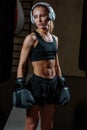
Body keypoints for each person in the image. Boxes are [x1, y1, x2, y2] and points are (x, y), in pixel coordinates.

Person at [13, 2, 70, 130]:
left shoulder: (55, 39)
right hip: (37, 85)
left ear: (50, 15)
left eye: (42, 16)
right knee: (31, 125)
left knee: (48, 126)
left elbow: (57, 64)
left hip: (52, 85)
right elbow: (21, 65)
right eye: (35, 16)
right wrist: (20, 86)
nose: (38, 20)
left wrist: (63, 84)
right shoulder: (31, 38)